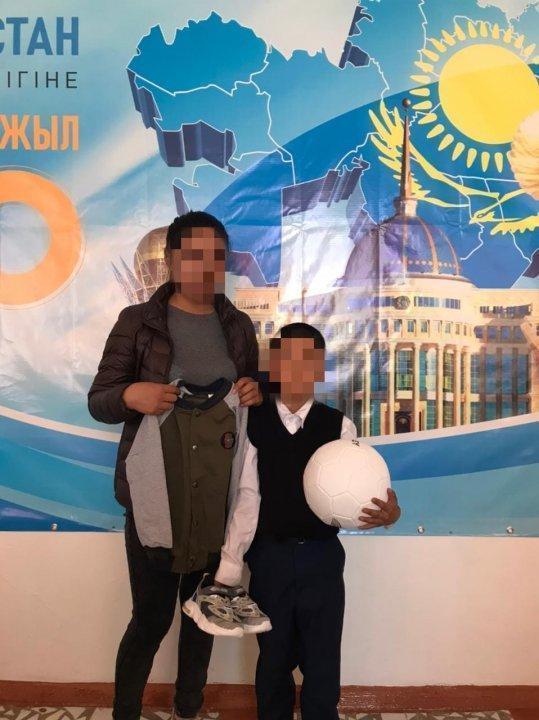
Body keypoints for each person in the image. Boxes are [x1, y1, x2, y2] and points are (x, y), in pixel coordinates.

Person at [87, 211, 263, 720]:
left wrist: (255, 391)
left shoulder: (237, 326)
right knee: (150, 619)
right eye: (193, 255)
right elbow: (100, 400)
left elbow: (249, 407)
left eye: (217, 257)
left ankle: (190, 707)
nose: (206, 267)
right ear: (171, 259)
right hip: (154, 501)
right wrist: (131, 394)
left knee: (201, 616)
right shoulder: (137, 322)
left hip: (216, 499)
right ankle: (125, 712)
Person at [203, 322, 401, 720]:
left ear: (320, 368)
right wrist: (229, 565)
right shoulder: (254, 421)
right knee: (273, 661)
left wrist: (389, 514)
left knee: (322, 661)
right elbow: (247, 499)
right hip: (270, 561)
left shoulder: (339, 426)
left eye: (306, 360)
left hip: (322, 560)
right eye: (286, 360)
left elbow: (359, 495)